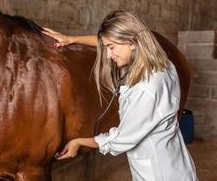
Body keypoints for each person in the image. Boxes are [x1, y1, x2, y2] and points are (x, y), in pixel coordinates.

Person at [42, 10, 198, 181]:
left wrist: (79, 142)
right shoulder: (165, 65)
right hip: (176, 163)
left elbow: (121, 139)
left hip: (157, 173)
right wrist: (72, 39)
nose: (108, 55)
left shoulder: (144, 88)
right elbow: (112, 40)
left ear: (131, 42)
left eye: (111, 48)